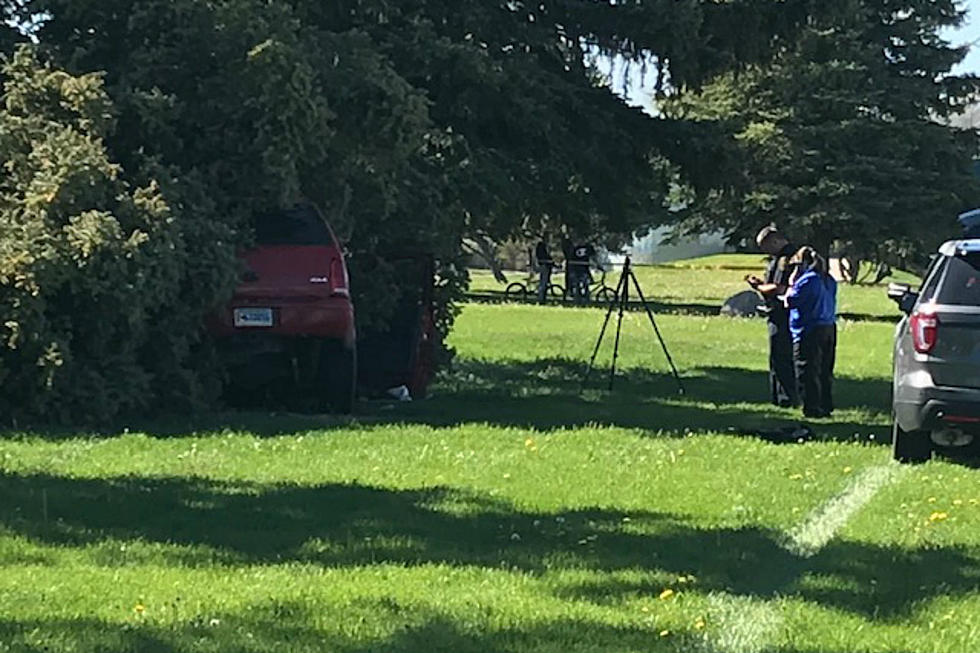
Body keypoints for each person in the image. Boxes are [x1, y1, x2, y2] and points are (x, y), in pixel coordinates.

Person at [745, 226, 799, 407]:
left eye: (765, 246)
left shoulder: (788, 259)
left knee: (783, 356)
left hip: (784, 313)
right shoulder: (776, 259)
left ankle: (787, 398)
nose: (764, 251)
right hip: (774, 312)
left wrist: (759, 287)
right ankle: (777, 396)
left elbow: (779, 287)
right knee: (776, 357)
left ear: (775, 241)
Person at [783, 246, 838, 418]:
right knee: (824, 369)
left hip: (809, 329)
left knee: (807, 369)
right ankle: (825, 404)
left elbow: (790, 300)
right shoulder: (828, 279)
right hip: (828, 327)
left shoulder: (807, 280)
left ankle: (812, 407)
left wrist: (793, 281)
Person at [534, 236, 555, 304]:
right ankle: (541, 298)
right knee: (543, 282)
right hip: (543, 265)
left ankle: (542, 297)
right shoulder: (542, 246)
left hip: (545, 265)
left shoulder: (544, 246)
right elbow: (543, 256)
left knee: (544, 282)